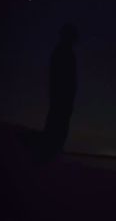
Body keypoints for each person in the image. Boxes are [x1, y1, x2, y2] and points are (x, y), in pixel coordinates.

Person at [43, 23, 78, 159]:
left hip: (64, 98)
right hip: (61, 98)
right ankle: (49, 154)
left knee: (59, 125)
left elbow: (69, 79)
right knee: (57, 125)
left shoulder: (66, 53)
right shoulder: (61, 52)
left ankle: (52, 153)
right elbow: (58, 77)